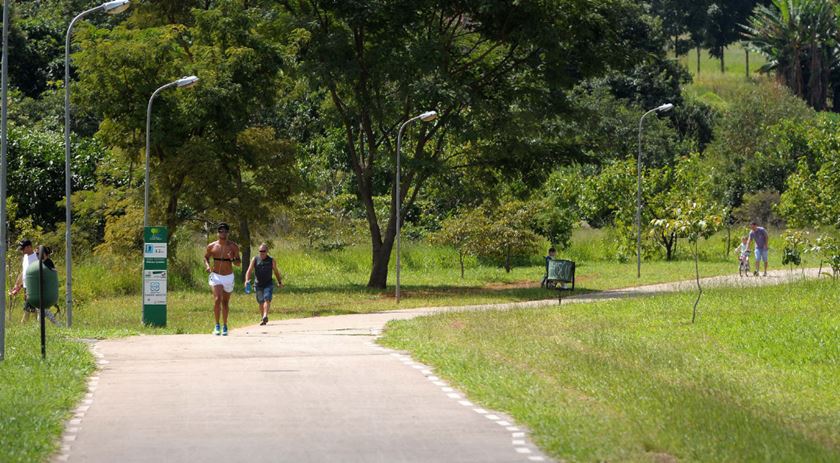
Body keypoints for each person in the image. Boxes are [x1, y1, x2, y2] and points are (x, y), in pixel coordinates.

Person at [204, 223, 241, 336]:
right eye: (220, 231)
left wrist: (232, 258)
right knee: (217, 299)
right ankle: (217, 325)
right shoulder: (212, 246)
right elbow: (206, 257)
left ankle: (225, 325)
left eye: (225, 231)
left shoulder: (233, 246)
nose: (223, 233)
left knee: (225, 302)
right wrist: (207, 266)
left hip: (228, 277)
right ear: (217, 233)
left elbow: (238, 263)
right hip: (216, 276)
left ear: (228, 233)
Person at [244, 243, 284, 326]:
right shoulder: (255, 259)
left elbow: (276, 272)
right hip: (258, 284)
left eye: (263, 251)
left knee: (267, 299)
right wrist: (246, 280)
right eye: (260, 251)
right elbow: (249, 270)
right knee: (261, 302)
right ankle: (263, 318)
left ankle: (265, 315)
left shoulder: (271, 260)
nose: (261, 253)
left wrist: (279, 282)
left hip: (268, 283)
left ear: (267, 251)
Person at [10, 239, 39, 322]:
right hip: (26, 286)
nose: (21, 250)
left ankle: (23, 323)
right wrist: (17, 285)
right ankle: (37, 325)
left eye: (23, 248)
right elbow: (24, 272)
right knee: (33, 309)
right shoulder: (25, 257)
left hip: (33, 286)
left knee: (27, 307)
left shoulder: (36, 258)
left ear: (29, 247)